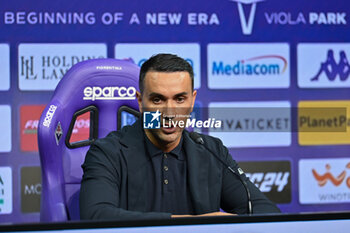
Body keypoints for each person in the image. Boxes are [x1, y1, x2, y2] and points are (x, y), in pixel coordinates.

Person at [79, 53, 280, 220]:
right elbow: (96, 216)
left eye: (179, 99)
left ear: (192, 100)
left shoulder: (211, 151)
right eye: (157, 100)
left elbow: (266, 212)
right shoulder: (107, 152)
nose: (169, 112)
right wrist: (192, 225)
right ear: (140, 102)